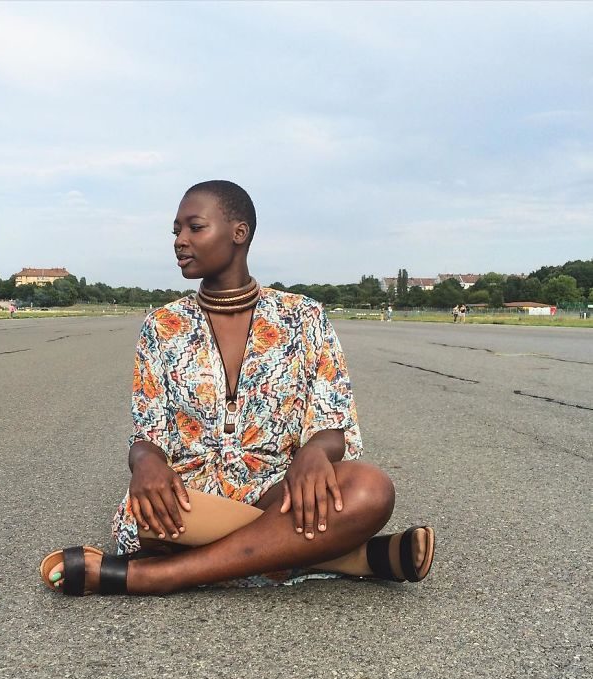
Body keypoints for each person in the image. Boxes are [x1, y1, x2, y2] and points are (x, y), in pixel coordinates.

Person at [40, 180, 435, 596]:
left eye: (194, 227)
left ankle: (156, 575)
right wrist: (146, 463)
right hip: (191, 500)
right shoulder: (162, 326)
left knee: (370, 490)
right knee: (146, 519)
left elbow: (332, 421)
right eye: (176, 231)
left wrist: (316, 452)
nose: (180, 241)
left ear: (238, 233)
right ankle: (348, 556)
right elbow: (147, 434)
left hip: (279, 491)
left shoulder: (303, 318)